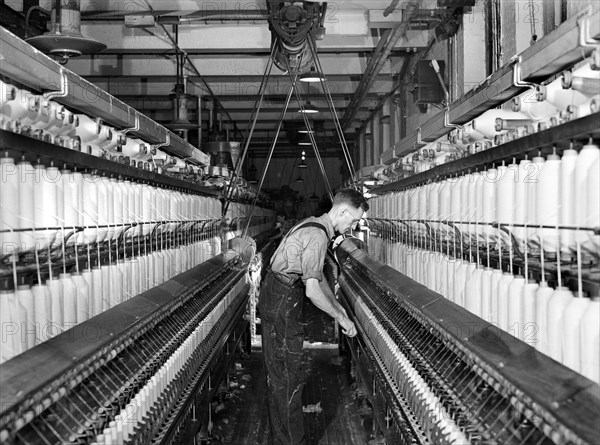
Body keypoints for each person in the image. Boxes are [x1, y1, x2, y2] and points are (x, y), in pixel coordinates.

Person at [259, 188, 369, 445]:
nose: (352, 227)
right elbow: (311, 290)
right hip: (282, 301)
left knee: (284, 375)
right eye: (352, 220)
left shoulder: (315, 225)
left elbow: (318, 280)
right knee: (288, 378)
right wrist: (341, 319)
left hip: (279, 294)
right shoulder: (319, 236)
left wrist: (339, 309)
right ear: (342, 211)